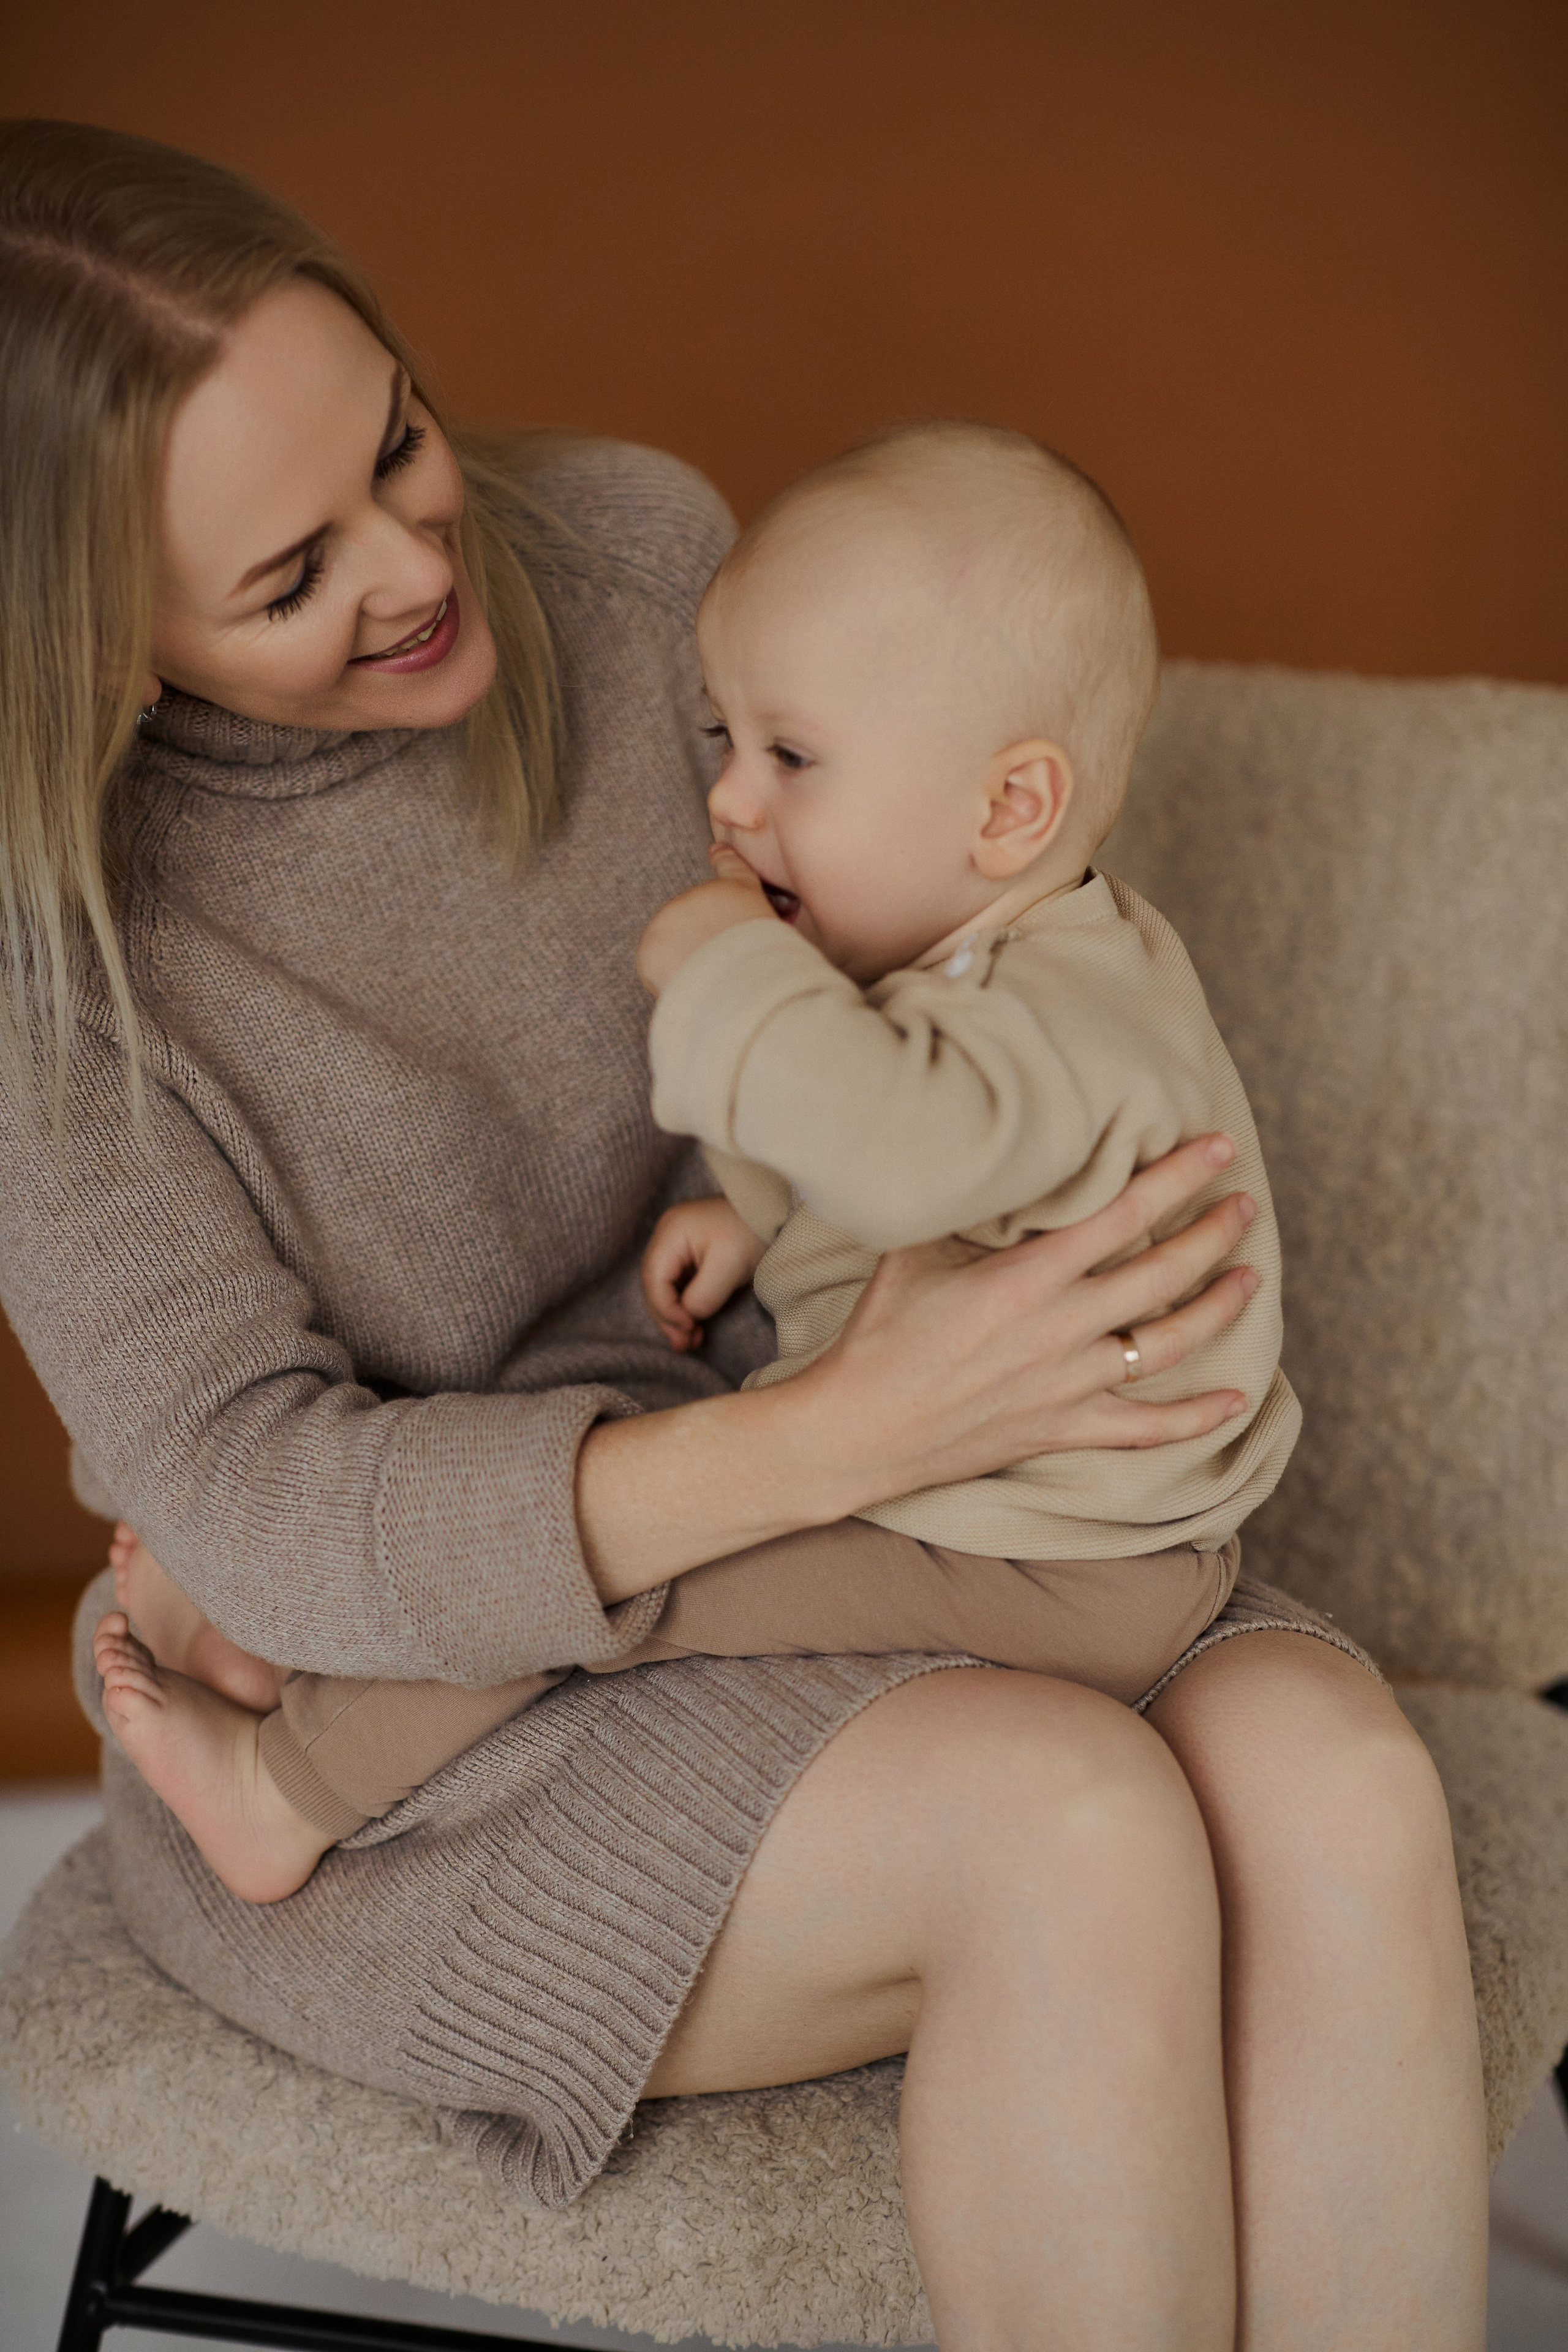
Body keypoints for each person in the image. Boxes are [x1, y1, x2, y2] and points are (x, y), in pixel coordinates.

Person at [0, 118, 1488, 2348]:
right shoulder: (54, 968)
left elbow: (907, 952)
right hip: (424, 1709)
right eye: (291, 578)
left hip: (879, 1466)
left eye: (400, 442)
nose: (421, 564)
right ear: (98, 648)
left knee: (1349, 1789)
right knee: (1072, 1836)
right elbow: (262, 1504)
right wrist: (851, 1429)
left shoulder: (619, 551)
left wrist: (886, 1311)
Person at [97, 422, 1317, 1908]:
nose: (731, 805)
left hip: (1045, 1567)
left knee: (607, 1576)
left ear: (1010, 807)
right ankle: (278, 1630)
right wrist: (747, 1220)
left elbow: (905, 1147)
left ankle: (284, 1788)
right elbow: (940, 1152)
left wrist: (724, 966)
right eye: (720, 742)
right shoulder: (1042, 957)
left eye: (789, 758)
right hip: (1087, 1539)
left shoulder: (1052, 1017)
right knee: (603, 1520)